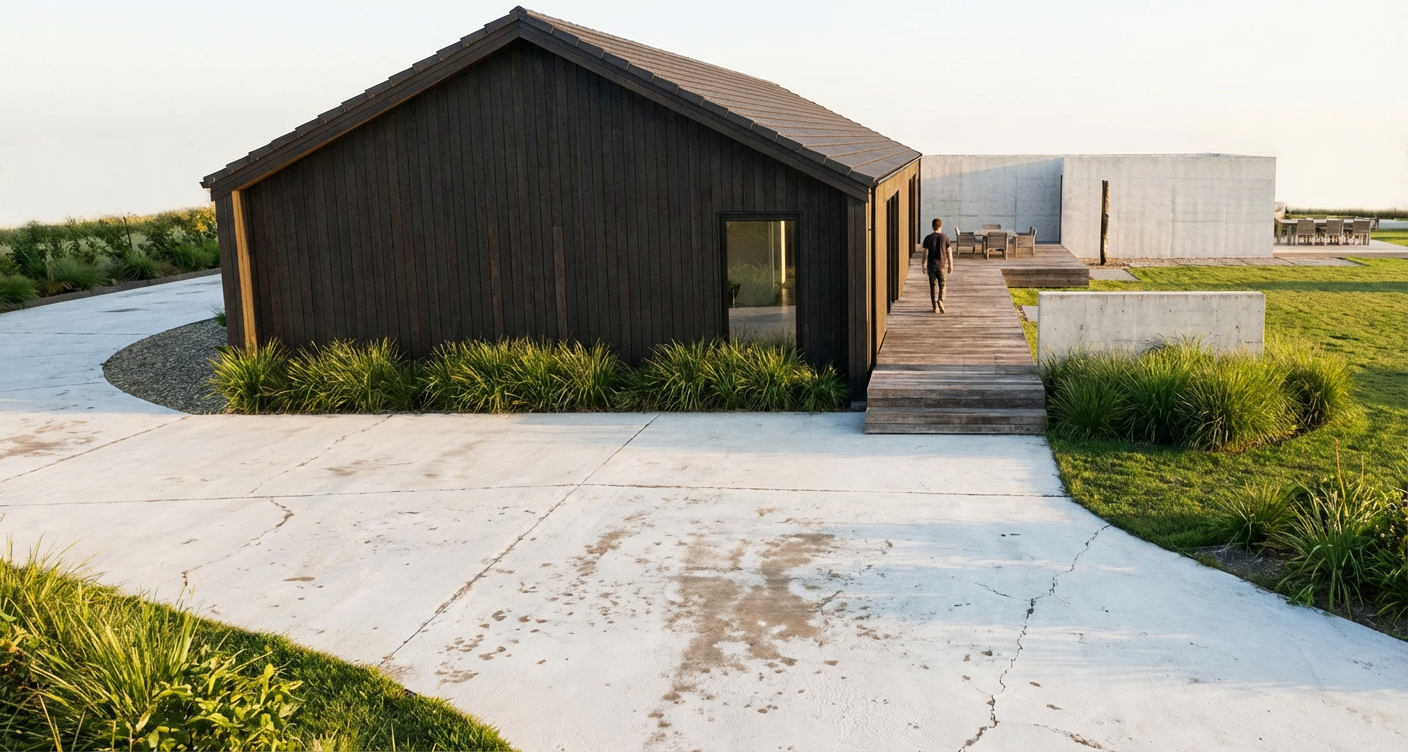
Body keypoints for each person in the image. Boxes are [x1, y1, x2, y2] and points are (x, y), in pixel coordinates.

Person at [921, 218, 953, 313]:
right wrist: (950, 265)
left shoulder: (928, 238)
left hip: (931, 265)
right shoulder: (945, 237)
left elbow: (925, 253)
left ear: (932, 226)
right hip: (941, 265)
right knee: (942, 284)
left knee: (933, 286)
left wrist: (923, 264)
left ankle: (935, 307)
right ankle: (940, 300)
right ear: (941, 226)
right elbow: (949, 252)